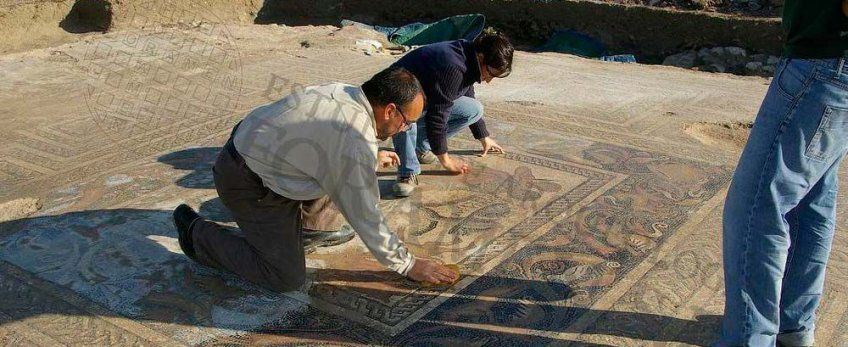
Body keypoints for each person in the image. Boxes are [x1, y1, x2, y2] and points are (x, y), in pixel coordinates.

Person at [171, 67, 460, 292]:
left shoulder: (346, 93)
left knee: (332, 216)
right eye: (406, 123)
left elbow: (327, 142)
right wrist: (408, 265)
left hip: (263, 151)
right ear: (389, 110)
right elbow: (367, 214)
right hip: (247, 179)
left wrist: (369, 157)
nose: (404, 129)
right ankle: (197, 234)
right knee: (284, 277)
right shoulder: (352, 140)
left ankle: (301, 231)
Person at [717, 1, 848, 345]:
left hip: (824, 64)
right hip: (831, 62)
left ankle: (750, 338)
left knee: (755, 208)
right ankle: (793, 328)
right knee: (812, 201)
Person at [391, 31, 514, 197]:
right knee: (407, 118)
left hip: (424, 97)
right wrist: (447, 161)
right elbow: (438, 116)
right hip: (397, 99)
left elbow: (465, 92)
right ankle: (407, 171)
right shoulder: (453, 65)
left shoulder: (469, 55)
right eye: (491, 73)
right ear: (481, 57)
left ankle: (420, 146)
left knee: (474, 109)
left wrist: (483, 136)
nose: (489, 80)